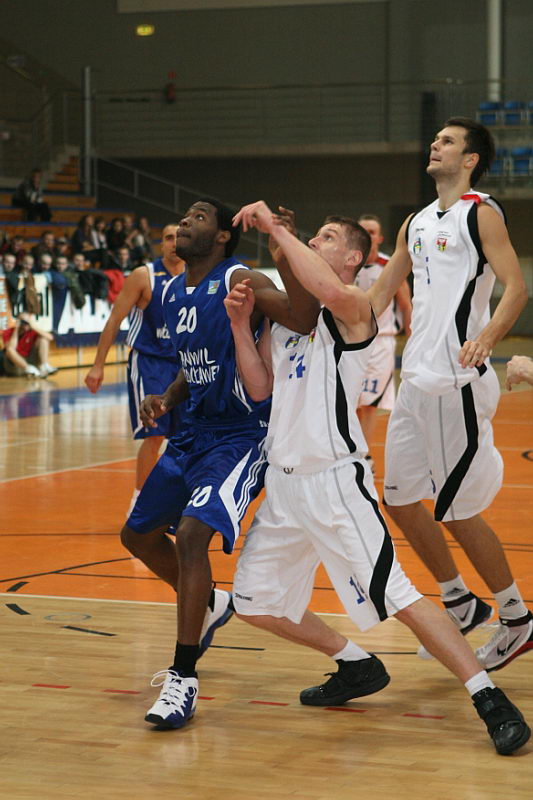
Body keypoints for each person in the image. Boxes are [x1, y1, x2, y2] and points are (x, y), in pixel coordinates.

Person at [226, 199, 530, 756]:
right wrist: (240, 327)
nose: (313, 242)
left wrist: (275, 231)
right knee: (253, 601)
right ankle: (355, 662)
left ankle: (490, 698)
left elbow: (328, 289)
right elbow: (262, 387)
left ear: (353, 259)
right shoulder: (288, 318)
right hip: (285, 485)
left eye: (325, 237)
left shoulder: (353, 309)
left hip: (336, 483)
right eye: (312, 236)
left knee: (402, 600)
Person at [122, 199, 319, 731]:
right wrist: (167, 396)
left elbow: (303, 317)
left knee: (191, 536)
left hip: (239, 435)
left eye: (199, 217)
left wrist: (284, 254)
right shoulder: (171, 292)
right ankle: (210, 603)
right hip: (190, 432)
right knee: (137, 536)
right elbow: (195, 366)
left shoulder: (239, 277)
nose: (185, 223)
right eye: (183, 217)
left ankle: (184, 677)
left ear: (224, 236)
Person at [362, 117, 532, 673]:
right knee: (399, 500)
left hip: (457, 381)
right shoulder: (414, 222)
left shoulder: (481, 213)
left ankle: (518, 620)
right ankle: (460, 603)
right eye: (435, 139)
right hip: (415, 381)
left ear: (470, 159)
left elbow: (516, 286)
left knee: (456, 512)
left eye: (448, 141)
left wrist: (487, 338)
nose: (435, 145)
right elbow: (378, 295)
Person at [85, 224, 185, 512]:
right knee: (154, 434)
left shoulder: (197, 275)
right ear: (160, 243)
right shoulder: (145, 275)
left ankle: (177, 499)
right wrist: (98, 366)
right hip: (150, 362)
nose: (174, 243)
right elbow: (115, 319)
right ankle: (139, 502)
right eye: (168, 238)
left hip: (184, 364)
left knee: (185, 436)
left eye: (179, 237)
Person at [355, 214, 412, 471]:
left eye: (372, 231)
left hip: (381, 341)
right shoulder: (348, 263)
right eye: (363, 230)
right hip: (351, 341)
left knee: (370, 403)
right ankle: (351, 452)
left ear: (379, 238)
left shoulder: (389, 266)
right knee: (351, 402)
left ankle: (364, 455)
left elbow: (405, 304)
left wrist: (411, 339)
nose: (367, 235)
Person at [2, 312, 57, 377]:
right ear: (18, 321)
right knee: (9, 350)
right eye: (23, 321)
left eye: (27, 321)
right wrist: (16, 329)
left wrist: (33, 326)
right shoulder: (8, 332)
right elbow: (11, 348)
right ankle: (28, 369)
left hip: (30, 358)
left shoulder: (32, 331)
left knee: (43, 339)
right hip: (15, 362)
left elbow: (50, 338)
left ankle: (44, 366)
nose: (25, 324)